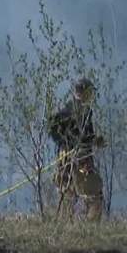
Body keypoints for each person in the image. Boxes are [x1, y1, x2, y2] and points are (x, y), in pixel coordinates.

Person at [48, 77, 106, 220]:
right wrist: (69, 144)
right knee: (88, 194)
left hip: (73, 158)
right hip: (75, 159)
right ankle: (84, 227)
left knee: (73, 194)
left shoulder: (78, 111)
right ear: (83, 92)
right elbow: (53, 128)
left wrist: (95, 141)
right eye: (90, 92)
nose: (92, 96)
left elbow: (87, 137)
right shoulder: (75, 111)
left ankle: (71, 226)